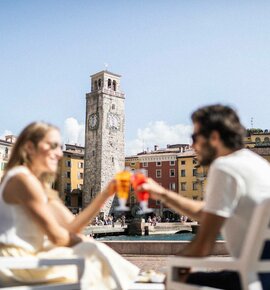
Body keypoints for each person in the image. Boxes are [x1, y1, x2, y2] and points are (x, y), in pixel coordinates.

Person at [138, 104, 270, 290]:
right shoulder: (257, 164)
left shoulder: (225, 167)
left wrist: (172, 271)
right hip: (263, 276)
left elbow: (203, 246)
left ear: (214, 137)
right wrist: (162, 194)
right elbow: (208, 213)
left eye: (195, 137)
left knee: (172, 280)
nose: (192, 146)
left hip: (249, 279)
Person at [0, 122, 139, 289]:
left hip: (26, 258)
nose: (59, 154)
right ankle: (136, 282)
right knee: (94, 253)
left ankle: (134, 282)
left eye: (60, 147)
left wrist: (105, 194)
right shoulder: (22, 178)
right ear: (30, 147)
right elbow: (58, 236)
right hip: (17, 262)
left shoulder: (37, 184)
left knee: (94, 251)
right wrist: (81, 240)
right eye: (53, 146)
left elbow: (73, 226)